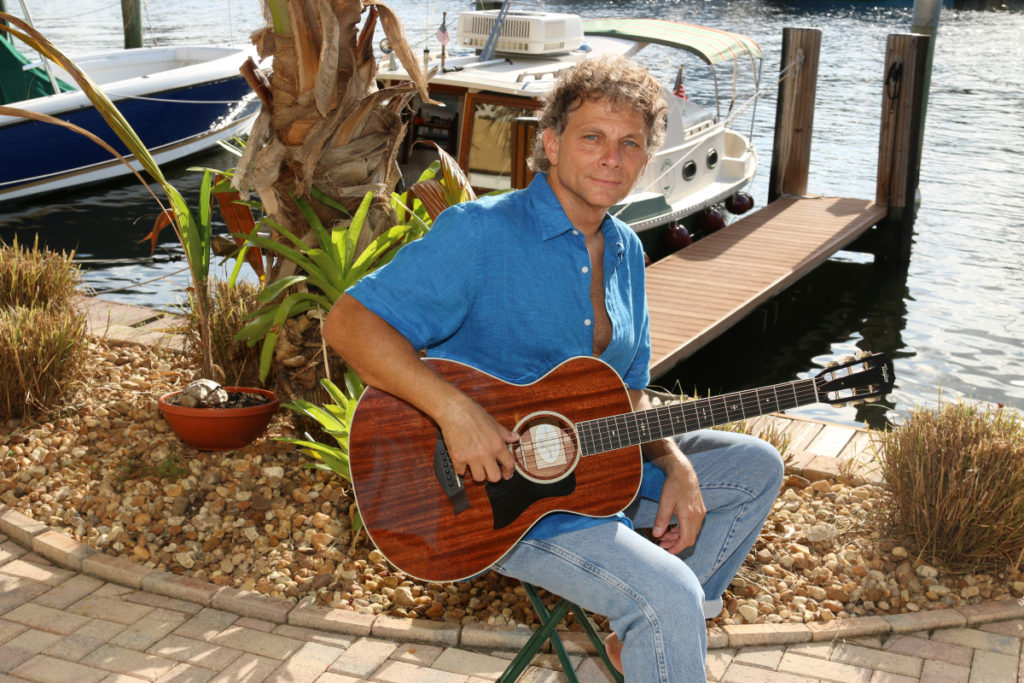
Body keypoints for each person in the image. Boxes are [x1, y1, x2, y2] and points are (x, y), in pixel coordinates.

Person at [324, 54, 783, 681]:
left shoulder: (624, 249)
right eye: (592, 137)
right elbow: (348, 325)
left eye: (630, 144)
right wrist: (457, 414)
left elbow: (629, 391)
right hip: (497, 504)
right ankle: (664, 618)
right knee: (666, 593)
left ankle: (651, 644)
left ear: (646, 160)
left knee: (755, 468)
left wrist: (674, 463)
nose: (611, 158)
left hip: (599, 475)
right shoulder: (481, 233)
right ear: (551, 143)